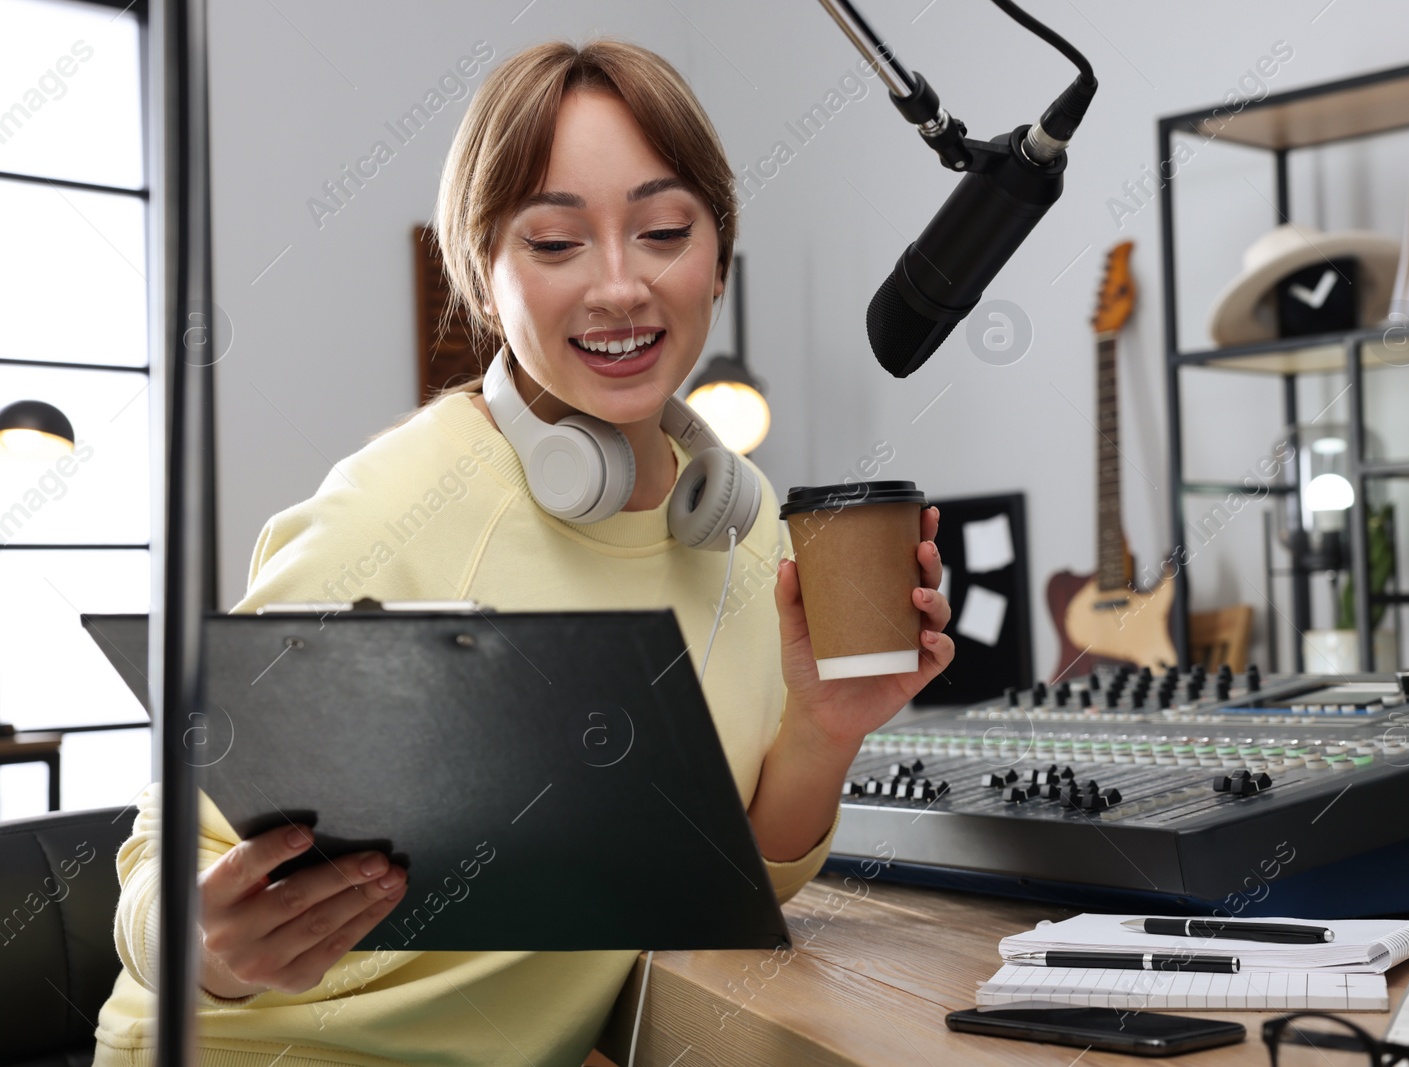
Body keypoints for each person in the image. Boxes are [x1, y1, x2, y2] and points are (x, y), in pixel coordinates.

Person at [93, 38, 954, 1066]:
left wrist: (822, 729)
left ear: (717, 255)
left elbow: (718, 887)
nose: (621, 285)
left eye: (664, 230)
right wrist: (209, 944)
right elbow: (161, 854)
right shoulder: (392, 509)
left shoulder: (738, 517)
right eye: (554, 243)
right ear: (483, 275)